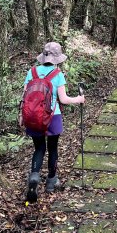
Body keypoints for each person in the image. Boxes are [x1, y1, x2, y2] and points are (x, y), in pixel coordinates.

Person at [20, 41, 85, 203]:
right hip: (53, 117)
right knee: (53, 148)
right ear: (57, 58)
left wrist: (21, 116)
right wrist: (79, 99)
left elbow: (24, 97)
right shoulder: (58, 74)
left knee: (39, 148)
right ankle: (51, 181)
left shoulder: (32, 72)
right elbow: (63, 99)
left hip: (33, 117)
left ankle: (34, 176)